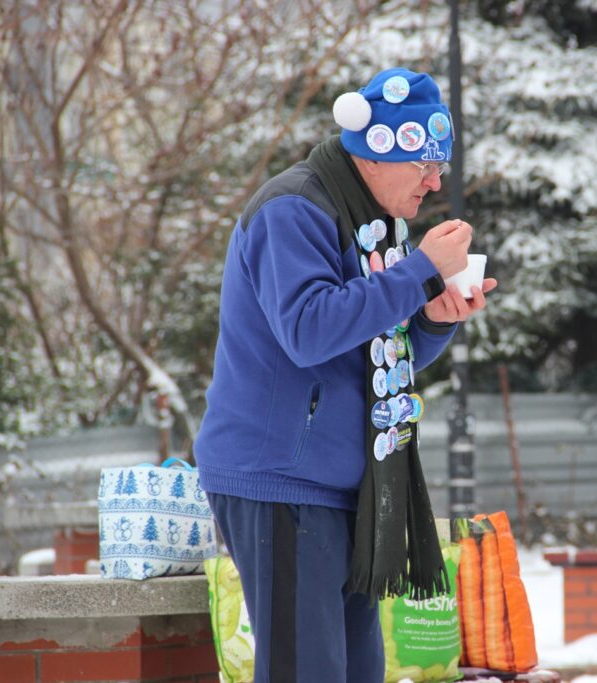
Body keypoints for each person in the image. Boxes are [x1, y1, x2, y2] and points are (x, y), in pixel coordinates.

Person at [193, 67, 497, 683]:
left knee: (356, 673)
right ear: (379, 149)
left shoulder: (377, 222)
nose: (436, 182)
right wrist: (417, 273)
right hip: (279, 479)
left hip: (345, 484)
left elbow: (378, 354)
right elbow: (308, 329)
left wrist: (433, 322)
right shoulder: (294, 209)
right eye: (427, 164)